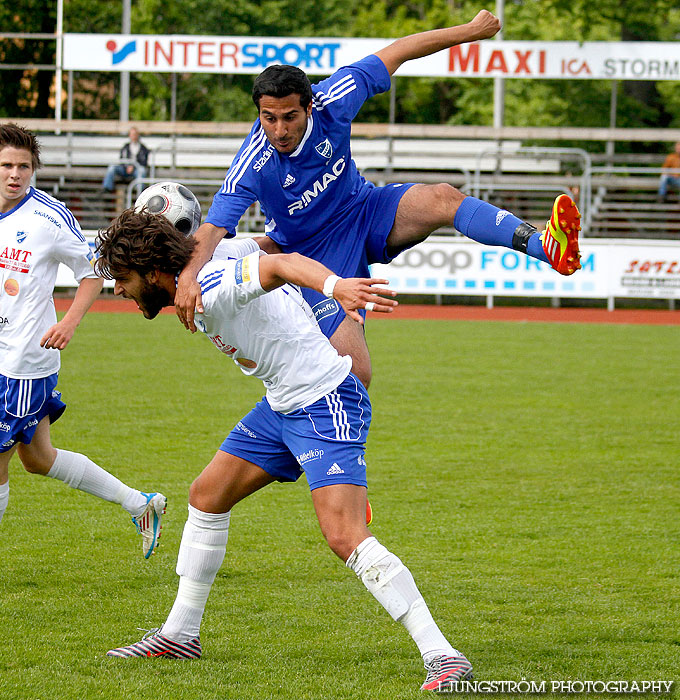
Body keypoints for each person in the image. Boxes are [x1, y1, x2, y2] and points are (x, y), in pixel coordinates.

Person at [97, 208, 472, 692]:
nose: (119, 290)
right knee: (206, 496)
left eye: (123, 279)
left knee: (344, 535)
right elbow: (265, 248)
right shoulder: (207, 265)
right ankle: (180, 635)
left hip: (324, 402)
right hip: (281, 404)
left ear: (153, 273)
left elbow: (279, 264)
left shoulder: (212, 286)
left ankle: (443, 655)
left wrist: (334, 287)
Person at [174, 9, 582, 388]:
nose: (279, 130)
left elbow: (399, 50)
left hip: (365, 210)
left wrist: (471, 31)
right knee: (356, 373)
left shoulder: (335, 98)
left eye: (289, 117)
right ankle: (294, 447)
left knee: (442, 197)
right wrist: (189, 278)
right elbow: (212, 229)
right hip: (314, 254)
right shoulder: (252, 163)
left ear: (310, 106)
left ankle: (546, 246)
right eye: (269, 118)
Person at [0, 123, 165, 559]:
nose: (14, 174)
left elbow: (94, 270)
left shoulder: (48, 217)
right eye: (6, 165)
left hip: (23, 361)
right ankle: (140, 504)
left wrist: (70, 321)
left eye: (24, 166)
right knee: (38, 458)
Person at [101, 126, 150, 193]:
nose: (133, 136)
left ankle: (139, 191)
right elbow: (122, 159)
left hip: (136, 170)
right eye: (132, 134)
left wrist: (133, 166)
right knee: (112, 168)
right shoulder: (125, 147)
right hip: (124, 169)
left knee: (142, 170)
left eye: (135, 134)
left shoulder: (143, 148)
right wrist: (127, 166)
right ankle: (107, 187)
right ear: (129, 135)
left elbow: (144, 162)